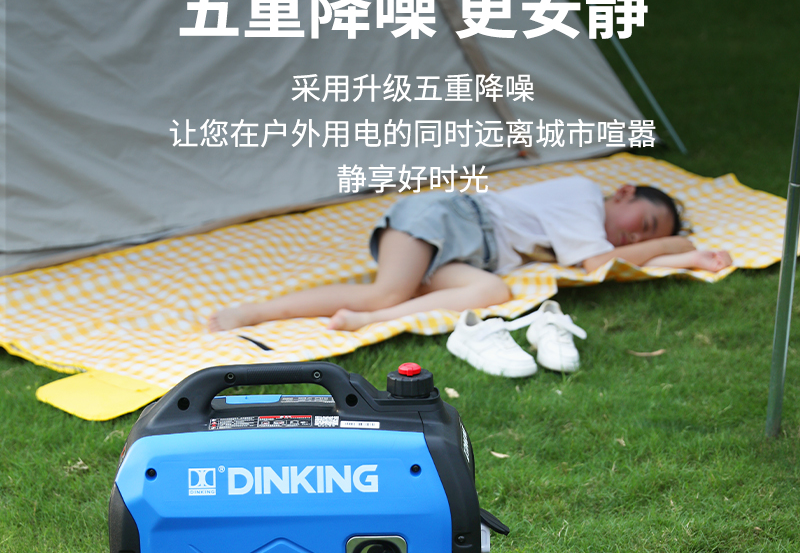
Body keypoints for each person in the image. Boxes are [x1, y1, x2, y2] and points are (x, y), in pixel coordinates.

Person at [208, 175, 732, 333]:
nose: (635, 241)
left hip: (470, 254)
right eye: (643, 226)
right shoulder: (583, 198)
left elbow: (618, 265)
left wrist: (689, 259)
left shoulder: (595, 232)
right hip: (445, 219)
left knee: (492, 291)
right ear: (623, 193)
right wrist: (679, 244)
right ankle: (254, 313)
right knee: (388, 288)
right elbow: (600, 266)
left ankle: (368, 321)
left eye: (647, 238)